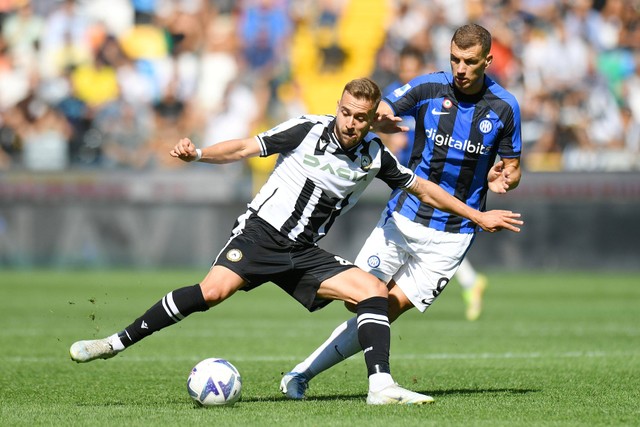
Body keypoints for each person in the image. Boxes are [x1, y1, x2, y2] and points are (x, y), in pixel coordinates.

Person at [69, 77, 523, 405]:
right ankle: (114, 342)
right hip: (261, 235)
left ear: (370, 121)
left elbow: (424, 188)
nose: (349, 121)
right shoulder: (307, 129)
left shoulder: (373, 157)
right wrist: (201, 154)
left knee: (371, 292)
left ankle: (380, 387)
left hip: (304, 254)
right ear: (338, 107)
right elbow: (247, 147)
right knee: (211, 292)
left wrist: (476, 214)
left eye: (359, 117)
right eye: (345, 111)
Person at [280, 23, 523, 401]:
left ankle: (302, 374)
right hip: (404, 217)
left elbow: (513, 167)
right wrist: (383, 119)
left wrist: (503, 179)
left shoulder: (505, 108)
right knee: (358, 299)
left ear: (487, 61)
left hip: (451, 237)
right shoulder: (428, 87)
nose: (460, 68)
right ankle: (350, 376)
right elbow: (384, 108)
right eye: (455, 59)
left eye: (470, 62)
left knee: (384, 310)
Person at [382, 44, 489, 321]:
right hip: (406, 174)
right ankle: (469, 281)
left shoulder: (434, 92)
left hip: (430, 179)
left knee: (432, 231)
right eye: (402, 68)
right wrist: (388, 138)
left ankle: (468, 281)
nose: (406, 74)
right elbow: (378, 124)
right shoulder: (399, 91)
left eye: (410, 69)